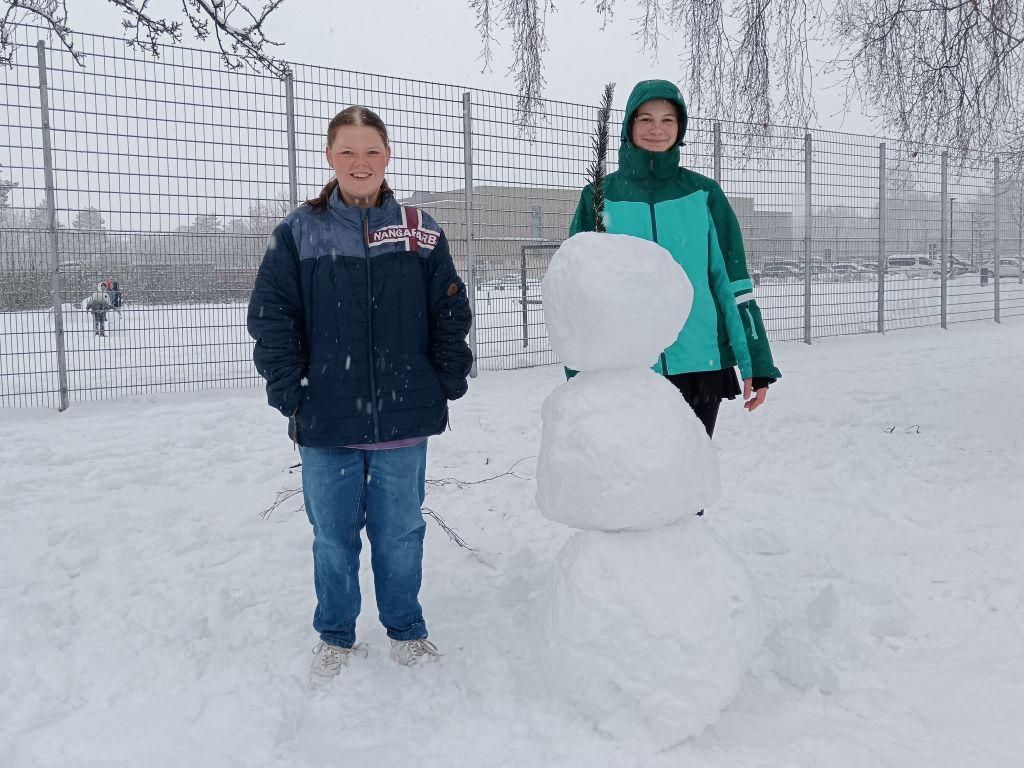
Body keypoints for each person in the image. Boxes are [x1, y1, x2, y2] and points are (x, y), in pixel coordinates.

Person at [246, 106, 473, 679]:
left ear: (388, 155)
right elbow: (272, 316)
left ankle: (407, 628)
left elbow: (449, 309)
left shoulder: (420, 229)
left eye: (371, 150)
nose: (360, 162)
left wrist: (444, 378)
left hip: (403, 416)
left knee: (401, 534)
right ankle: (336, 634)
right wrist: (291, 391)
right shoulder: (299, 231)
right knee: (333, 538)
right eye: (347, 151)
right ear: (330, 156)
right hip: (326, 419)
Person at [570, 79, 781, 441]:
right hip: (627, 365)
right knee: (629, 470)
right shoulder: (600, 197)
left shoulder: (704, 194)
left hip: (699, 363)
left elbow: (732, 284)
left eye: (668, 120)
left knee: (688, 472)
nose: (657, 129)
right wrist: (577, 374)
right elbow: (577, 292)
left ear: (680, 127)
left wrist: (756, 362)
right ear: (629, 125)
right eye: (646, 119)